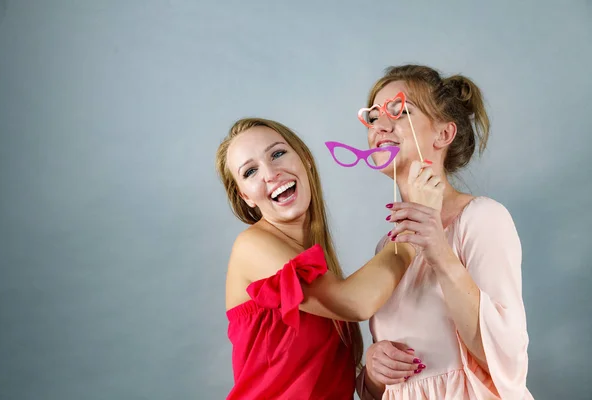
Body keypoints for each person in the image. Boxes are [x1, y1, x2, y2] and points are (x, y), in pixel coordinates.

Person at [215, 117, 442, 399]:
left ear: (306, 160)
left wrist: (373, 369)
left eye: (277, 154)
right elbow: (357, 303)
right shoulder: (251, 246)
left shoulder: (322, 270)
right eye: (250, 172)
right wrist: (411, 232)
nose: (270, 173)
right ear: (245, 196)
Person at [354, 65, 533, 399]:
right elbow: (382, 392)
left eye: (400, 110)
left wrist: (438, 250)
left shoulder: (481, 218)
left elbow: (507, 361)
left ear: (443, 135)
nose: (380, 125)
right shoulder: (388, 246)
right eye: (373, 117)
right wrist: (375, 370)